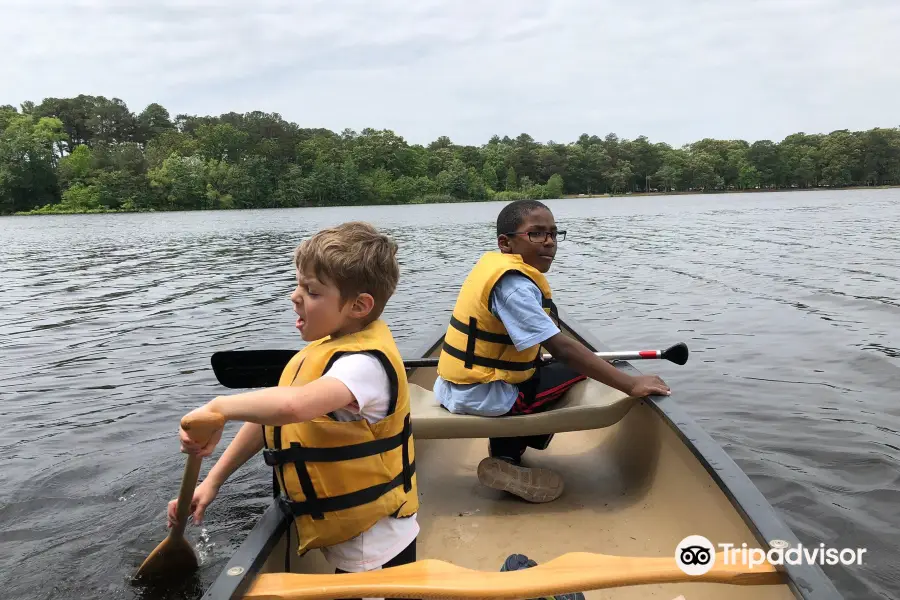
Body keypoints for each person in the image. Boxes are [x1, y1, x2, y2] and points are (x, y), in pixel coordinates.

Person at [168, 221, 419, 585]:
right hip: (354, 539)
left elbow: (293, 408)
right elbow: (271, 421)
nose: (294, 296)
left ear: (359, 306)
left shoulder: (363, 366)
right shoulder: (327, 348)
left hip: (375, 547)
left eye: (313, 291)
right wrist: (213, 482)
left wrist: (219, 407)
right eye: (299, 284)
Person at [434, 199, 671, 503]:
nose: (548, 242)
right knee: (579, 369)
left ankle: (505, 454)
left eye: (553, 233)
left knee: (547, 369)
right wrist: (631, 384)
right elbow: (564, 350)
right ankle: (508, 454)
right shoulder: (515, 286)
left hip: (452, 387)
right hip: (482, 397)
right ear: (505, 243)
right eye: (536, 234)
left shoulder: (495, 268)